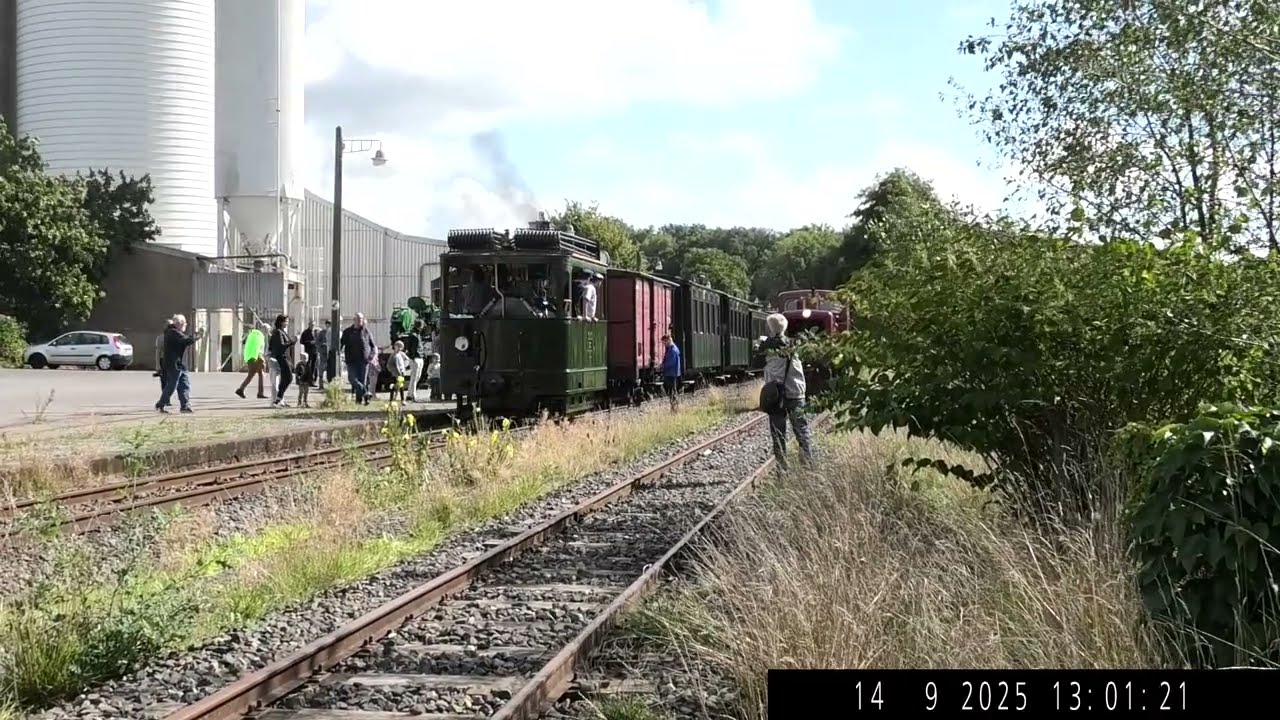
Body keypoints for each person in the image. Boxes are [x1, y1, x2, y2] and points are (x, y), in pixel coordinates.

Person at [761, 312, 813, 470]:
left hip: (775, 395)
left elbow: (756, 362)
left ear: (770, 328)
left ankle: (782, 469)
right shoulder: (794, 345)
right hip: (796, 393)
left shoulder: (766, 347)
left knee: (778, 435)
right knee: (802, 431)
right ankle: (808, 464)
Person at [155, 314, 202, 414]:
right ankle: (160, 404)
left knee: (184, 384)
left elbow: (185, 339)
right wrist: (196, 336)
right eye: (184, 323)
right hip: (174, 364)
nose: (186, 325)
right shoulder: (172, 332)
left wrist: (194, 336)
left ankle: (185, 406)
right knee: (172, 385)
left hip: (180, 364)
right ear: (179, 323)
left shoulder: (175, 332)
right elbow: (186, 340)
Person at [340, 312, 378, 405]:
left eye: (361, 319)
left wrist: (370, 357)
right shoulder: (347, 332)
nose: (360, 321)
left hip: (364, 361)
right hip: (351, 360)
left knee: (362, 380)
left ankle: (360, 400)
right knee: (352, 379)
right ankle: (366, 392)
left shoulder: (366, 332)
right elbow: (341, 344)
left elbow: (373, 346)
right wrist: (340, 354)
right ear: (354, 320)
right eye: (358, 319)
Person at [269, 313, 297, 407]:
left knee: (285, 378)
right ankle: (278, 398)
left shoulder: (281, 331)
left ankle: (279, 399)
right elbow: (281, 346)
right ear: (281, 322)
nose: (287, 323)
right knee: (288, 377)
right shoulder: (278, 332)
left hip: (284, 357)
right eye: (286, 322)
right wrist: (292, 342)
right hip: (281, 358)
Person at [236, 323, 268, 399]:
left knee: (259, 374)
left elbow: (249, 346)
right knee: (253, 375)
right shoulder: (259, 335)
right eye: (267, 330)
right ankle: (241, 389)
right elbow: (258, 347)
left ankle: (259, 392)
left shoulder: (253, 334)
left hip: (250, 357)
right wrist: (261, 357)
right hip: (256, 357)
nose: (267, 332)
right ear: (264, 329)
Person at [660, 334, 681, 411]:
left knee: (672, 391)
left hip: (672, 373)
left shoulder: (673, 350)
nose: (664, 344)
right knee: (672, 391)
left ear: (668, 340)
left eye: (664, 342)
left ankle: (674, 409)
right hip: (671, 372)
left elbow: (670, 362)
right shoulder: (670, 349)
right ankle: (674, 408)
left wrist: (663, 366)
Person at [404, 320, 425, 401]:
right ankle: (413, 394)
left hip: (418, 356)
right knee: (415, 377)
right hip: (416, 357)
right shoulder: (414, 335)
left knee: (415, 377)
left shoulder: (416, 335)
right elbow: (411, 347)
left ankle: (410, 394)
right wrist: (413, 357)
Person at [299, 320, 318, 387]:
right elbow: (301, 341)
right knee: (309, 366)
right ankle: (309, 380)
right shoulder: (305, 332)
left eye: (313, 325)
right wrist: (310, 342)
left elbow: (318, 340)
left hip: (315, 351)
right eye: (311, 325)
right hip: (308, 351)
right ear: (309, 325)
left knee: (314, 366)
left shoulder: (316, 332)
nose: (312, 326)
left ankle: (313, 380)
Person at [315, 319, 331, 389]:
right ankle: (321, 385)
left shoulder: (333, 332)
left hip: (331, 354)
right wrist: (322, 344)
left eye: (329, 324)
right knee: (321, 369)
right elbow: (317, 342)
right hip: (323, 353)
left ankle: (330, 385)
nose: (328, 325)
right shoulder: (322, 333)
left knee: (330, 370)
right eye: (327, 324)